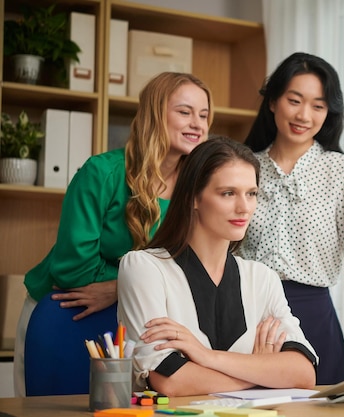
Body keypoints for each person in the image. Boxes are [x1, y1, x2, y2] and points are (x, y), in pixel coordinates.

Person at [13, 72, 213, 397]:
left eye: (204, 115)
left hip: (136, 321)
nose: (197, 124)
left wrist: (118, 287)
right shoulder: (101, 173)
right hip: (67, 314)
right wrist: (134, 283)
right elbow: (72, 269)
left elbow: (192, 267)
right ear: (155, 113)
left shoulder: (198, 188)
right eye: (184, 111)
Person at [237, 52, 344, 384]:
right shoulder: (242, 167)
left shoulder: (342, 172)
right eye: (294, 100)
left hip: (314, 319)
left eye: (318, 106)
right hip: (247, 318)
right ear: (272, 101)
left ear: (329, 112)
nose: (304, 115)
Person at [117, 136, 317, 395]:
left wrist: (206, 357)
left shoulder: (262, 278)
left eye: (252, 194)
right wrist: (261, 371)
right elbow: (170, 381)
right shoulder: (144, 268)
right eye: (228, 193)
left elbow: (303, 373)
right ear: (193, 198)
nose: (244, 208)